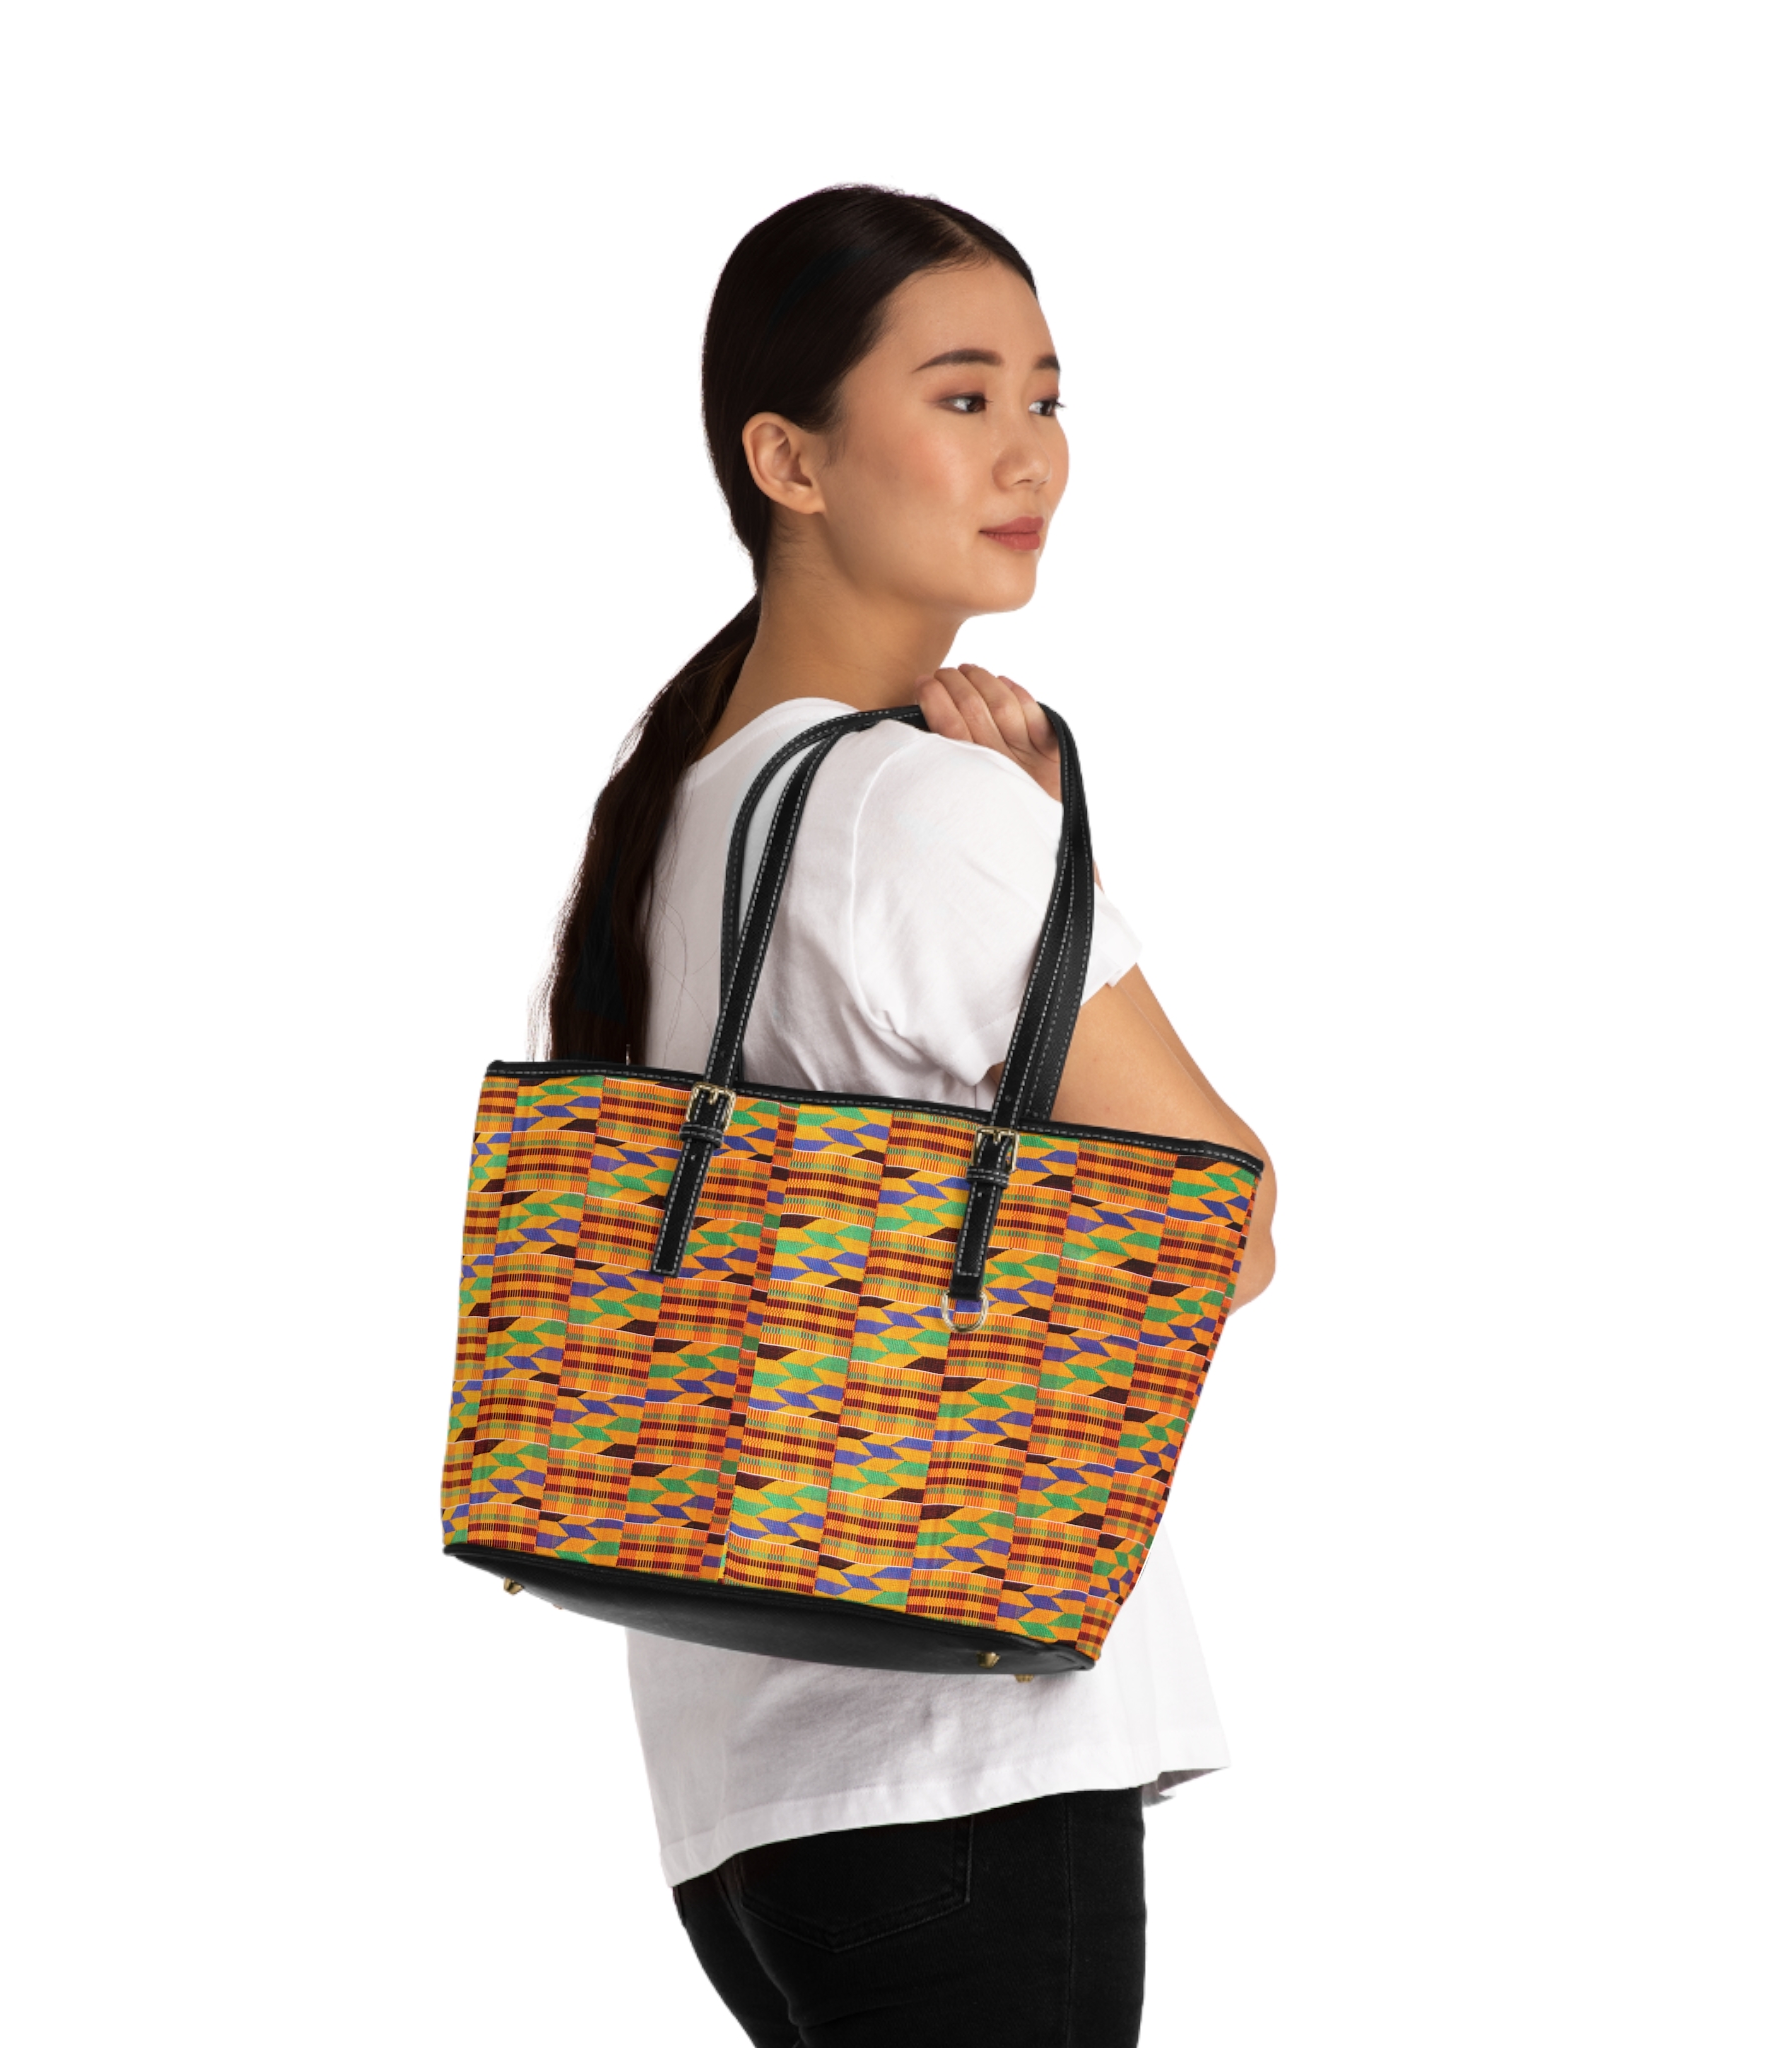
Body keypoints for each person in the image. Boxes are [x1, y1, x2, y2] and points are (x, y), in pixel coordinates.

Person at [541, 185, 1277, 2048]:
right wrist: (1028, 837)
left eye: (1047, 393)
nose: (1030, 452)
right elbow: (1226, 1221)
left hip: (754, 1798)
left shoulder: (680, 813)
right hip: (963, 1751)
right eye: (961, 397)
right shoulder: (923, 812)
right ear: (786, 458)